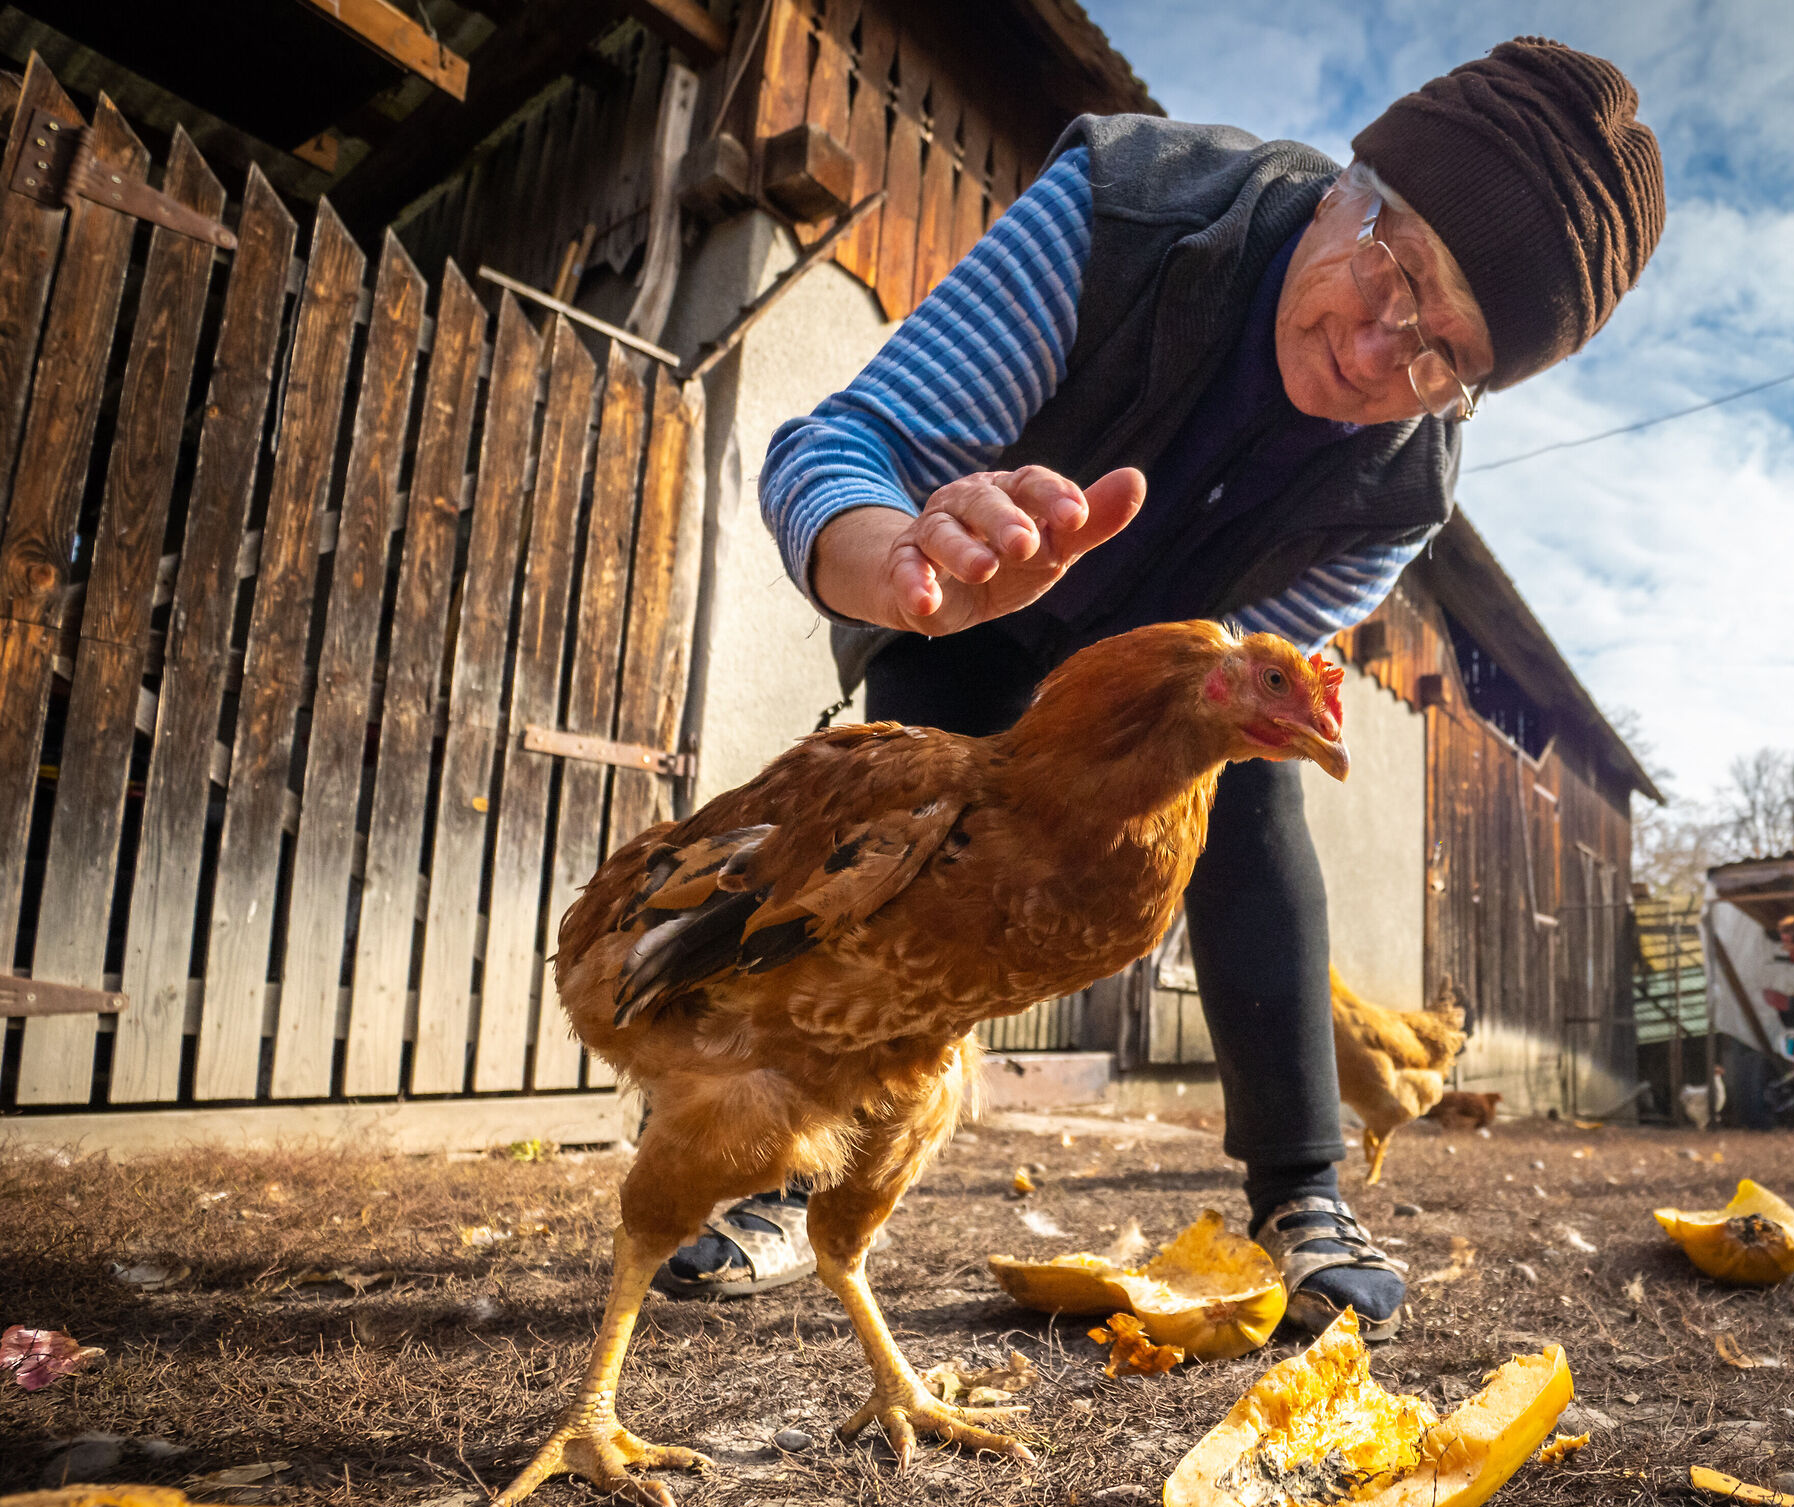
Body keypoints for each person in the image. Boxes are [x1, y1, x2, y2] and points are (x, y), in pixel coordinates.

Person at [660, 37, 1665, 1342]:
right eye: (1391, 270)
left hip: (1151, 681)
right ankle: (786, 1162)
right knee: (907, 815)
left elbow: (1249, 676)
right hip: (966, 606)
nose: (1375, 352)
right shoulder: (1127, 213)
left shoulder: (1404, 490)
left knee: (1247, 805)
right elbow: (846, 447)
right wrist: (908, 560)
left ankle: (1303, 1189)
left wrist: (1189, 749)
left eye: (1441, 357)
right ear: (1353, 183)